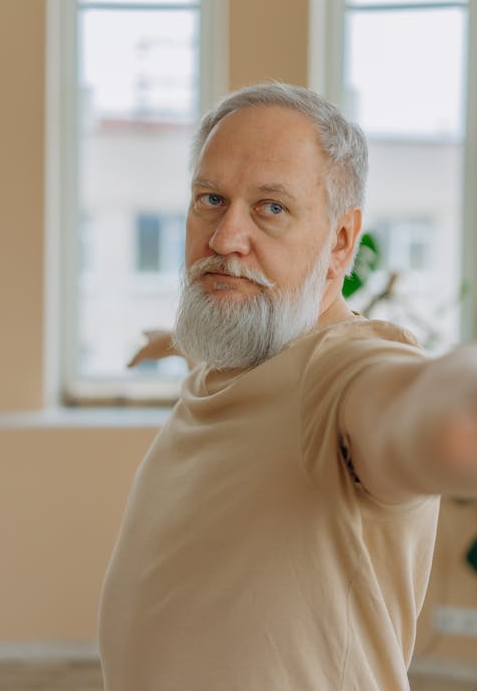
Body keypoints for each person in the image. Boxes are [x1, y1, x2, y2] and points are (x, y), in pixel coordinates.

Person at [98, 83, 477, 690]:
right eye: (211, 199)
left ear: (341, 242)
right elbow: (218, 322)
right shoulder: (244, 345)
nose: (224, 239)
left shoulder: (341, 374)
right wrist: (171, 338)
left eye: (272, 208)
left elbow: (425, 414)